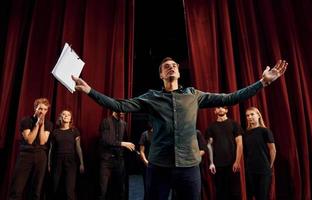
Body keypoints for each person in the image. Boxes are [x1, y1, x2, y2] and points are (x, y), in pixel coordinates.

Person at [72, 57, 287, 200]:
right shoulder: (151, 97)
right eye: (166, 67)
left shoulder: (194, 95)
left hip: (189, 167)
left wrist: (262, 83)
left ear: (179, 73)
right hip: (159, 167)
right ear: (161, 76)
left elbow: (230, 98)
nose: (171, 67)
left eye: (174, 65)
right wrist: (89, 90)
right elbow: (119, 105)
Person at [9, 98, 53, 200]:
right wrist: (37, 124)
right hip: (26, 155)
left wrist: (42, 125)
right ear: (35, 108)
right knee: (17, 188)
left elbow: (42, 141)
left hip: (40, 155)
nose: (42, 112)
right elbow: (30, 140)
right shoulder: (26, 120)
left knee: (36, 190)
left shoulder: (49, 124)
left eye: (45, 109)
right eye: (40, 108)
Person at [205, 106, 243, 200]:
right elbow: (209, 146)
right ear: (215, 111)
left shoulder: (234, 124)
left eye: (223, 107)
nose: (221, 109)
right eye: (218, 107)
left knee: (235, 193)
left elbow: (239, 143)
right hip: (218, 165)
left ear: (226, 110)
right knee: (221, 193)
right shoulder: (211, 127)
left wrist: (237, 162)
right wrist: (211, 163)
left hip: (232, 164)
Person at [98, 111, 135, 200]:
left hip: (119, 160)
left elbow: (126, 142)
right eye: (121, 110)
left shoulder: (124, 124)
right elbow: (106, 141)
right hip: (106, 160)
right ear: (114, 110)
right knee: (102, 190)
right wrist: (123, 143)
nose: (123, 112)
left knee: (120, 189)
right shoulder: (106, 122)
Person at [48, 109, 84, 200]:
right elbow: (51, 149)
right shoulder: (55, 132)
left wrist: (82, 163)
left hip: (71, 161)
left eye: (68, 115)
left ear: (71, 118)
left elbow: (78, 148)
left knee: (69, 189)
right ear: (60, 117)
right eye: (64, 114)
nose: (66, 116)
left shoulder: (74, 131)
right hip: (57, 161)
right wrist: (49, 164)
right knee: (55, 187)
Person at [244, 107, 276, 200]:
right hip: (250, 170)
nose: (249, 117)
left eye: (252, 114)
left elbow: (273, 150)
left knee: (262, 197)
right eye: (247, 115)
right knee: (253, 196)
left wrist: (269, 165)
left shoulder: (265, 131)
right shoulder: (246, 133)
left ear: (258, 115)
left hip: (264, 169)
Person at [139, 122, 153, 200]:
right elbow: (141, 151)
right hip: (148, 165)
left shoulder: (161, 134)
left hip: (159, 165)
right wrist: (145, 162)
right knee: (148, 188)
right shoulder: (145, 134)